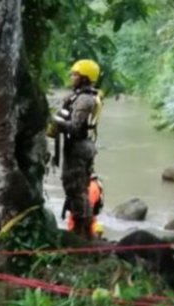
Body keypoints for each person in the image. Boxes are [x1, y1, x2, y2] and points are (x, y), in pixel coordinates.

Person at [49, 59, 103, 239]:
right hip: (79, 146)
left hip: (79, 147)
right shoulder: (80, 96)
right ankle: (82, 229)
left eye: (75, 75)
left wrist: (54, 120)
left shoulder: (85, 99)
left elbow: (74, 126)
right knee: (75, 187)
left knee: (76, 188)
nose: (72, 77)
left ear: (85, 78)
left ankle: (83, 232)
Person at [64, 174, 104, 239]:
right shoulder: (94, 186)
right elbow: (96, 210)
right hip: (87, 227)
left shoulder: (77, 185)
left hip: (75, 226)